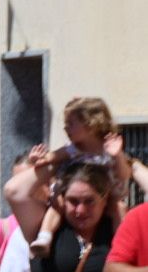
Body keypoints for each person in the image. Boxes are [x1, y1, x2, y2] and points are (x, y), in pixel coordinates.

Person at [25, 99, 148, 258]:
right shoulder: (72, 149)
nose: (65, 128)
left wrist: (117, 156)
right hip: (73, 187)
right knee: (57, 204)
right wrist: (38, 159)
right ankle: (45, 237)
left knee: (119, 208)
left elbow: (124, 174)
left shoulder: (108, 148)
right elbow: (52, 157)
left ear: (90, 124)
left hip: (106, 191)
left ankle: (124, 244)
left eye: (71, 124)